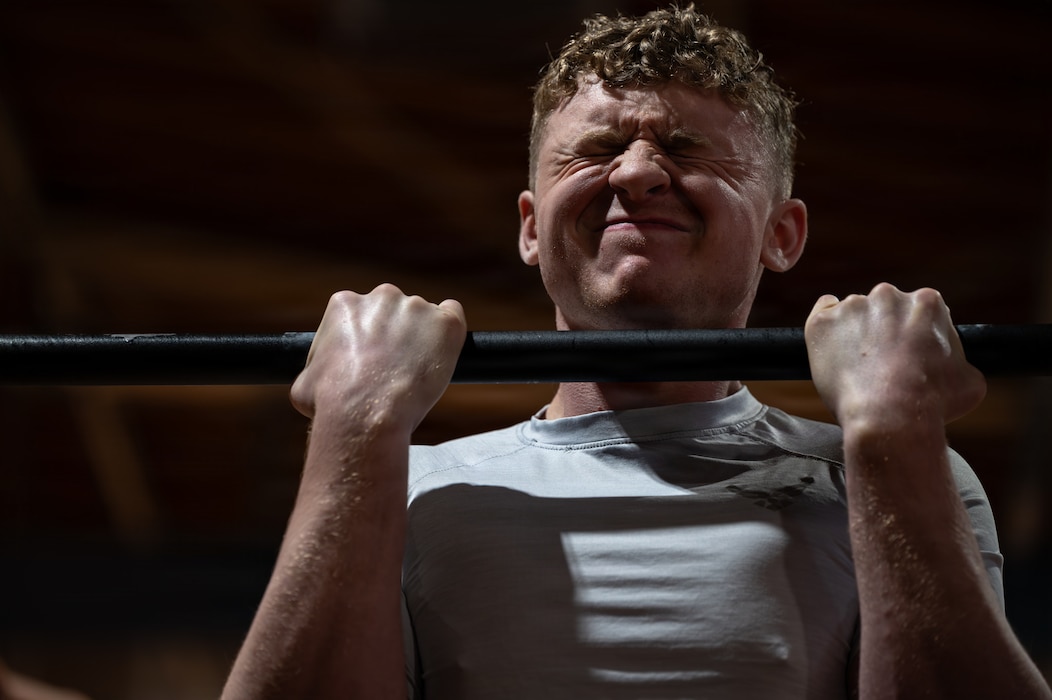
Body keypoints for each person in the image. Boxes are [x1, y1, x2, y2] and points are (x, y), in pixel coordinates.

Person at [221, 5, 1052, 698]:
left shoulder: (890, 470)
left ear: (782, 234)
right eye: (595, 151)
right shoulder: (412, 485)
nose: (637, 174)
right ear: (530, 228)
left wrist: (894, 429)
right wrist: (357, 426)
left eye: (686, 150)